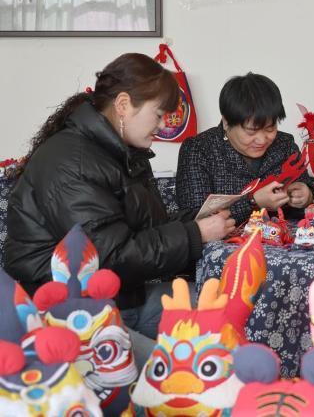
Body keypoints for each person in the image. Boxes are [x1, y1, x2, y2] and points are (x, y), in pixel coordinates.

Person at [4, 53, 235, 344]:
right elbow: (109, 258)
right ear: (123, 105)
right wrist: (195, 234)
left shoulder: (121, 153)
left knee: (228, 307)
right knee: (185, 358)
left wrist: (200, 221)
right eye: (159, 114)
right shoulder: (73, 162)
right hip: (72, 314)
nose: (163, 125)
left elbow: (144, 229)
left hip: (121, 297)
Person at [176, 72, 314, 222]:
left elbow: (307, 188)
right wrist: (253, 202)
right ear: (226, 122)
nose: (262, 140)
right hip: (228, 238)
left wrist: (306, 195)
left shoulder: (285, 144)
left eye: (270, 129)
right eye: (251, 131)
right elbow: (193, 219)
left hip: (282, 234)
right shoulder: (198, 149)